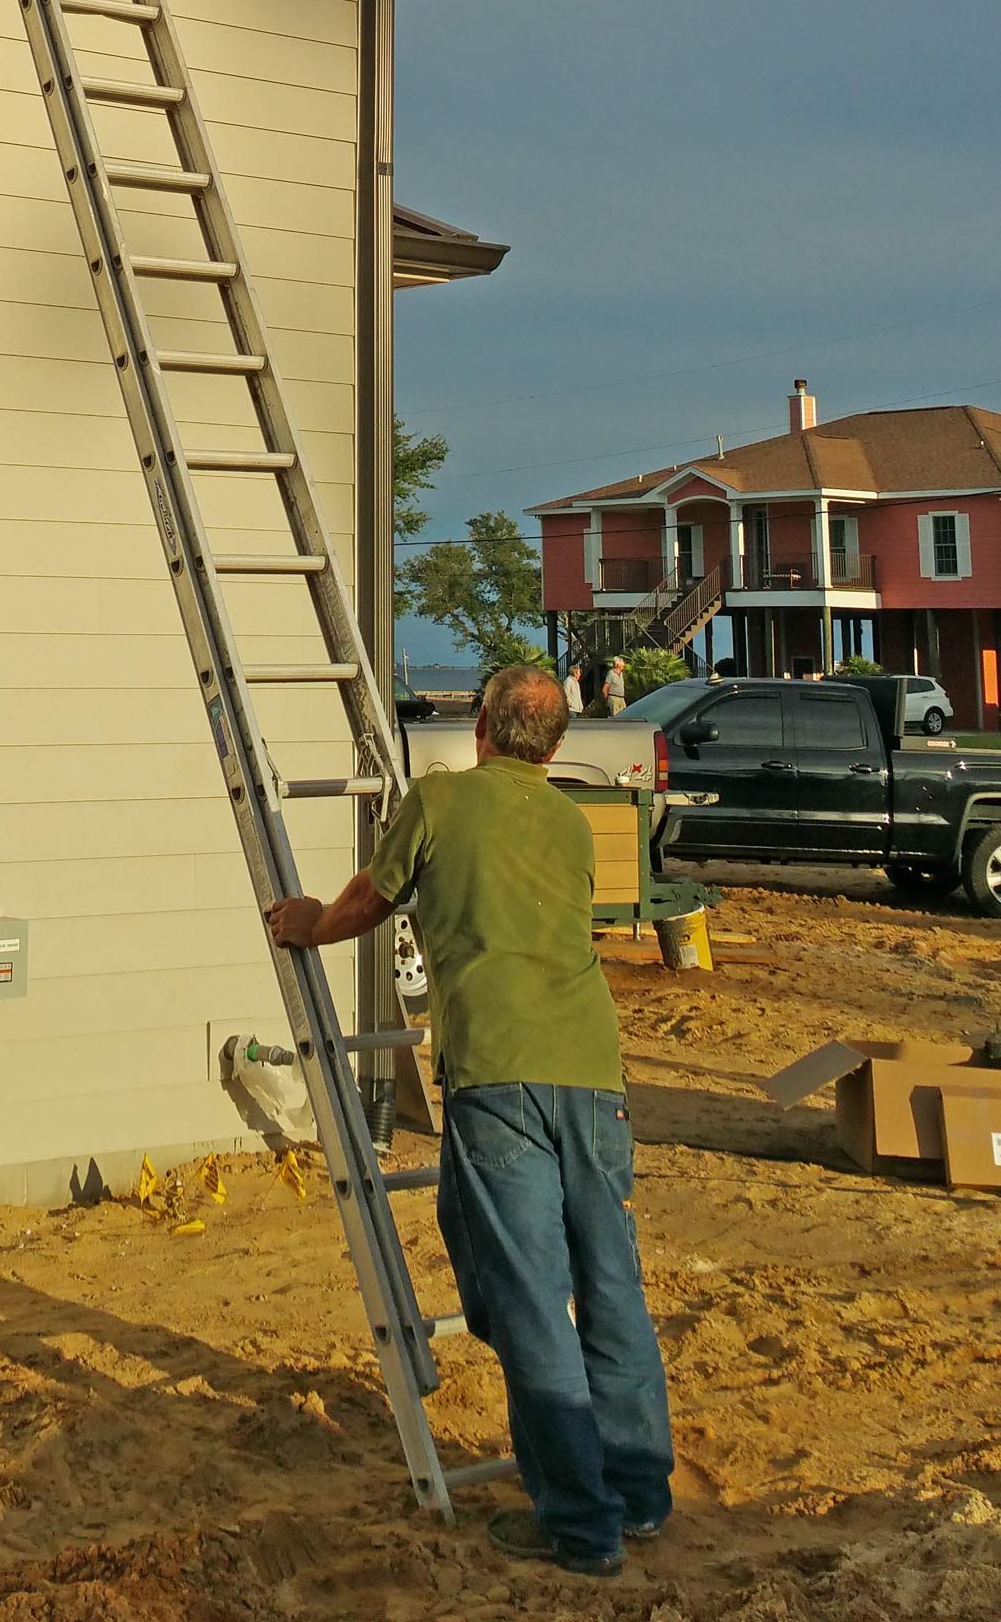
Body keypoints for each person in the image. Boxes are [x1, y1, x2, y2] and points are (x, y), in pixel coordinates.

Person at [267, 665, 673, 1579]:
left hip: (499, 1073)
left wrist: (309, 923)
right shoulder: (572, 824)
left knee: (529, 1303)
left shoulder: (440, 802)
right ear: (558, 746)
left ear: (481, 728)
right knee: (609, 1284)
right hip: (593, 1074)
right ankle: (640, 1497)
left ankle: (581, 1524)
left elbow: (374, 898)